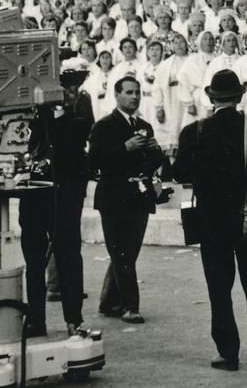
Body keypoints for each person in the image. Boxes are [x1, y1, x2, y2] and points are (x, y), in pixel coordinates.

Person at [172, 69, 247, 371]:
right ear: (239, 97)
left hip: (211, 222)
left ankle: (228, 354)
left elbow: (181, 174)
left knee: (219, 289)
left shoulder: (193, 131)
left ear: (210, 98)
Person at [18, 57, 95, 337]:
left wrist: (58, 112)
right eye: (66, 86)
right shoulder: (33, 109)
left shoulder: (79, 110)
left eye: (74, 87)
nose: (71, 92)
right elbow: (28, 143)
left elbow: (80, 132)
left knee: (69, 255)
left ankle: (74, 318)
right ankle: (36, 318)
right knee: (34, 258)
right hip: (35, 190)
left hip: (65, 191)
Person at [87, 75, 170, 324]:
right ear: (117, 95)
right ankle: (130, 306)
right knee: (121, 252)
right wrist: (125, 148)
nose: (134, 97)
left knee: (128, 252)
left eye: (137, 92)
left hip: (139, 196)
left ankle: (108, 301)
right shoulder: (103, 126)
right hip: (113, 198)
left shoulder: (145, 125)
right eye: (129, 92)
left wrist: (155, 151)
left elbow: (151, 165)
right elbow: (94, 162)